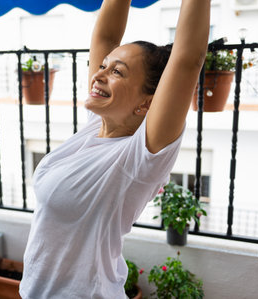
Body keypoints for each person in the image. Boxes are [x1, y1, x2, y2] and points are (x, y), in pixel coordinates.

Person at [19, 0, 210, 298]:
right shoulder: (95, 125)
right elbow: (105, 37)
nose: (98, 75)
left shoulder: (138, 158)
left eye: (117, 72)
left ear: (147, 103)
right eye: (102, 66)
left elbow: (188, 59)